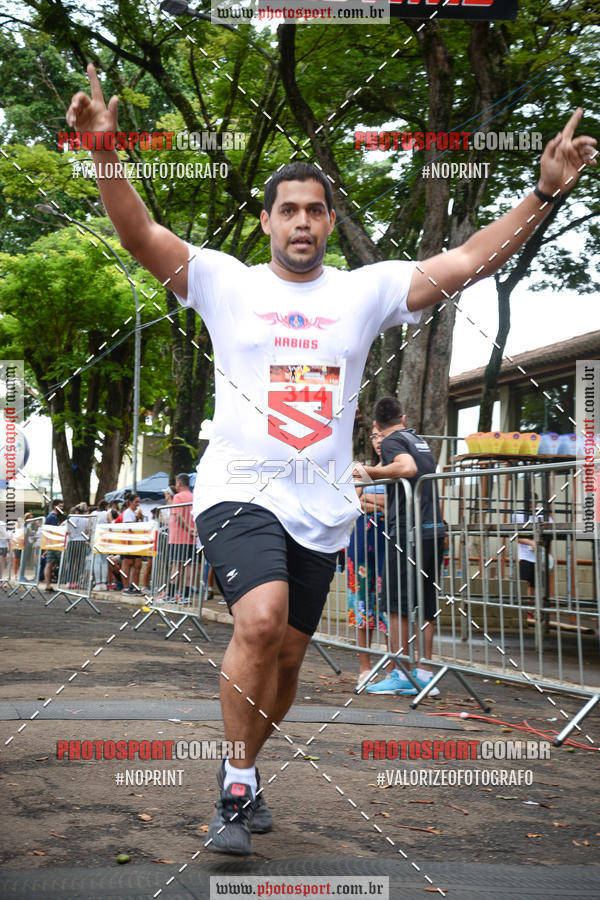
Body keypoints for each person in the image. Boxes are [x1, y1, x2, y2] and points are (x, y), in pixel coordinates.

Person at [66, 64, 595, 855]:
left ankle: (241, 770)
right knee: (261, 618)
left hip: (321, 507)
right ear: (268, 220)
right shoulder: (223, 281)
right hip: (238, 490)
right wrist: (106, 156)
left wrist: (543, 195)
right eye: (289, 210)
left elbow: (468, 260)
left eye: (316, 209)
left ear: (328, 218)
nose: (304, 222)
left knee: (286, 661)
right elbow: (141, 233)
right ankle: (238, 783)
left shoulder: (365, 289)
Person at [361, 398, 445, 697]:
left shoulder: (394, 441)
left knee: (395, 605)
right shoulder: (417, 439)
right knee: (425, 604)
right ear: (403, 417)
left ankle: (399, 673)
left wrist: (367, 472)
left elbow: (405, 469)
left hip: (408, 535)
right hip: (432, 530)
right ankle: (424, 674)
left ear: (376, 427)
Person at [347, 425, 387, 685]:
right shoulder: (366, 470)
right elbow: (354, 501)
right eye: (375, 436)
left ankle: (395, 667)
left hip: (387, 540)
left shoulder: (401, 468)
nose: (378, 441)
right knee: (361, 601)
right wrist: (377, 504)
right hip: (361, 539)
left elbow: (397, 504)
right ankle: (365, 668)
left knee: (389, 602)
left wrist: (369, 502)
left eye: (382, 435)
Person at [167, 473, 195, 601]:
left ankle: (171, 594)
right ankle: (187, 595)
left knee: (176, 566)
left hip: (178, 538)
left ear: (179, 483)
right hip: (192, 539)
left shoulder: (178, 497)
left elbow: (178, 516)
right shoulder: (194, 497)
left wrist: (188, 528)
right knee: (189, 566)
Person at [121, 493, 144, 594]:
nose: (138, 504)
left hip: (136, 542)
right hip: (128, 541)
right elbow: (128, 526)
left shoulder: (134, 512)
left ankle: (134, 586)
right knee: (127, 564)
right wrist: (137, 519)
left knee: (138, 565)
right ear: (130, 502)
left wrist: (140, 519)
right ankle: (126, 587)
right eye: (136, 502)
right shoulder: (127, 513)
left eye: (139, 502)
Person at [44, 498, 64, 592]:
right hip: (54, 544)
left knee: (50, 564)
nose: (61, 508)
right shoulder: (53, 517)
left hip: (51, 544)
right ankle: (60, 585)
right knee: (63, 562)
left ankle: (48, 586)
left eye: (62, 507)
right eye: (60, 506)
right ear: (54, 506)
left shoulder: (51, 516)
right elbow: (53, 531)